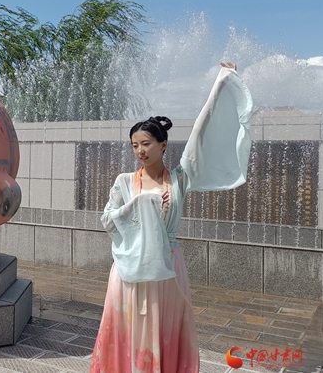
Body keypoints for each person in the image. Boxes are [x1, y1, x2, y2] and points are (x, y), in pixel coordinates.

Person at [90, 63, 253, 372]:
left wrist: (220, 83)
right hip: (129, 267)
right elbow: (107, 220)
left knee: (164, 325)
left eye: (146, 144)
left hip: (167, 262)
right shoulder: (124, 182)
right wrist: (141, 204)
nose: (140, 151)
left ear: (163, 145)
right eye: (135, 145)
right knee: (126, 326)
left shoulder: (179, 179)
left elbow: (201, 134)